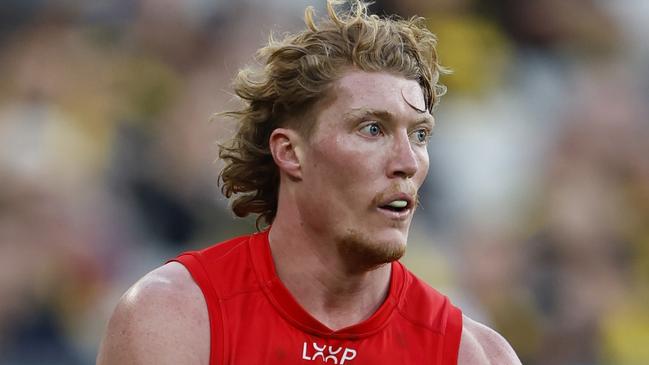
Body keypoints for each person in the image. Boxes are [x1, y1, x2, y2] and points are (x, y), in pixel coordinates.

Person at [97, 1, 521, 364]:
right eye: (372, 129)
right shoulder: (173, 319)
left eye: (420, 134)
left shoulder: (474, 355)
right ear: (290, 153)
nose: (407, 162)